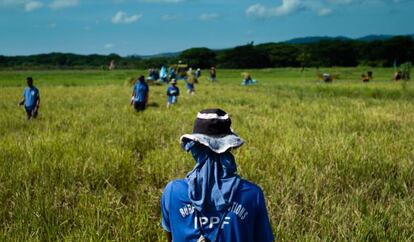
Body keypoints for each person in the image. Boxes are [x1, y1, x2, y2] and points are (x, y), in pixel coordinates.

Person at [161, 109, 274, 242]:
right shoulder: (252, 194)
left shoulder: (173, 191)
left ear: (194, 148)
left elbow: (171, 237)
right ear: (229, 149)